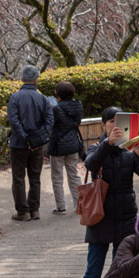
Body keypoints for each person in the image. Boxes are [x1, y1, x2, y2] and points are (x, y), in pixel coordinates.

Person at [69, 105, 139, 278]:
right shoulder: (97, 147)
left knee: (122, 271)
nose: (116, 127)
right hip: (100, 217)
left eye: (120, 122)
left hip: (127, 218)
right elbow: (90, 164)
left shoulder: (129, 151)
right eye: (111, 122)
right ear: (103, 125)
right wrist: (108, 144)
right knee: (93, 271)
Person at [7, 64, 54, 222]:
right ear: (36, 80)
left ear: (22, 79)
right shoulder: (43, 98)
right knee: (35, 177)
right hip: (37, 145)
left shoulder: (15, 97)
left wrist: (24, 138)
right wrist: (38, 138)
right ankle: (35, 210)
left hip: (18, 145)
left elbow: (14, 121)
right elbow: (49, 121)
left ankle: (23, 212)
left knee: (18, 178)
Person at [48, 81, 85, 214]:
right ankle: (79, 206)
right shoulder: (78, 105)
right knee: (74, 175)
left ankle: (61, 207)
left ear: (59, 94)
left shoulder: (56, 108)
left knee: (57, 177)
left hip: (58, 145)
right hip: (73, 144)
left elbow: (52, 125)